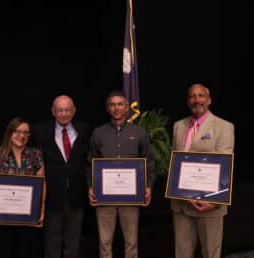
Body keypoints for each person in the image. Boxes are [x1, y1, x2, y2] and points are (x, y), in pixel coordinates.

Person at [88, 90, 156, 258]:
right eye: (112, 104)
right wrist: (90, 186)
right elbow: (91, 163)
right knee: (104, 243)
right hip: (104, 197)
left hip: (130, 197)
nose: (116, 108)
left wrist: (148, 186)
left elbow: (149, 162)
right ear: (108, 108)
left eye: (120, 104)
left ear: (127, 108)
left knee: (131, 243)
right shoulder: (98, 133)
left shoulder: (139, 132)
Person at [171, 83, 234, 258]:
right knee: (182, 254)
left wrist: (215, 202)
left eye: (201, 96)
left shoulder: (224, 127)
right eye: (192, 96)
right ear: (187, 101)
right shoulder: (178, 126)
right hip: (181, 205)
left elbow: (225, 166)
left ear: (209, 100)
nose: (197, 100)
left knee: (210, 254)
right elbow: (175, 162)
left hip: (209, 206)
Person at [31, 95, 91, 258]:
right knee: (52, 246)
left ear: (74, 111)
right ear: (53, 111)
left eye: (67, 110)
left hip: (76, 197)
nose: (64, 114)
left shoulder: (84, 130)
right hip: (51, 197)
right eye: (60, 110)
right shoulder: (40, 131)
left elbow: (89, 161)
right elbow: (26, 154)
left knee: (73, 246)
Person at [0, 117, 45, 258]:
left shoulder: (35, 154)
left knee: (26, 252)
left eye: (26, 133)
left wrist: (41, 209)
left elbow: (42, 184)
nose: (22, 136)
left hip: (27, 216)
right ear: (9, 132)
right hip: (3, 218)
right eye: (18, 131)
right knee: (4, 251)